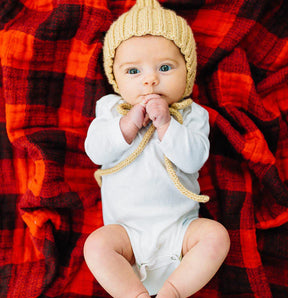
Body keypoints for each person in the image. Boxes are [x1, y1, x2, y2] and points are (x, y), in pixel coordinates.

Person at [84, 0, 230, 297]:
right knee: (96, 245)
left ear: (187, 73)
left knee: (217, 236)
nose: (150, 79)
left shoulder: (191, 115)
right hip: (126, 235)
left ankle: (173, 292)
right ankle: (134, 294)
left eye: (165, 67)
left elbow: (194, 159)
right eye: (133, 71)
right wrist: (126, 126)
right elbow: (96, 152)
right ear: (115, 78)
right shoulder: (111, 110)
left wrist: (166, 125)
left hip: (181, 230)